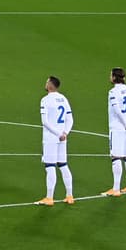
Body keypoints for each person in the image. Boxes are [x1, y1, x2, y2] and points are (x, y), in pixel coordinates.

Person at [36, 77, 75, 206]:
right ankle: (69, 196)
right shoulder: (63, 99)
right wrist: (65, 133)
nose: (45, 83)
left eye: (47, 81)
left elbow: (45, 121)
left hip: (51, 138)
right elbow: (70, 119)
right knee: (63, 165)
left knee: (50, 166)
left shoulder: (45, 100)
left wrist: (58, 134)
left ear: (51, 85)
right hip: (62, 137)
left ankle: (49, 198)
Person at [104, 67, 126, 196]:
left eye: (110, 75)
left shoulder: (113, 92)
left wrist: (125, 124)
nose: (109, 77)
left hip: (117, 127)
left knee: (115, 157)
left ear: (114, 77)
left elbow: (117, 110)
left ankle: (116, 189)